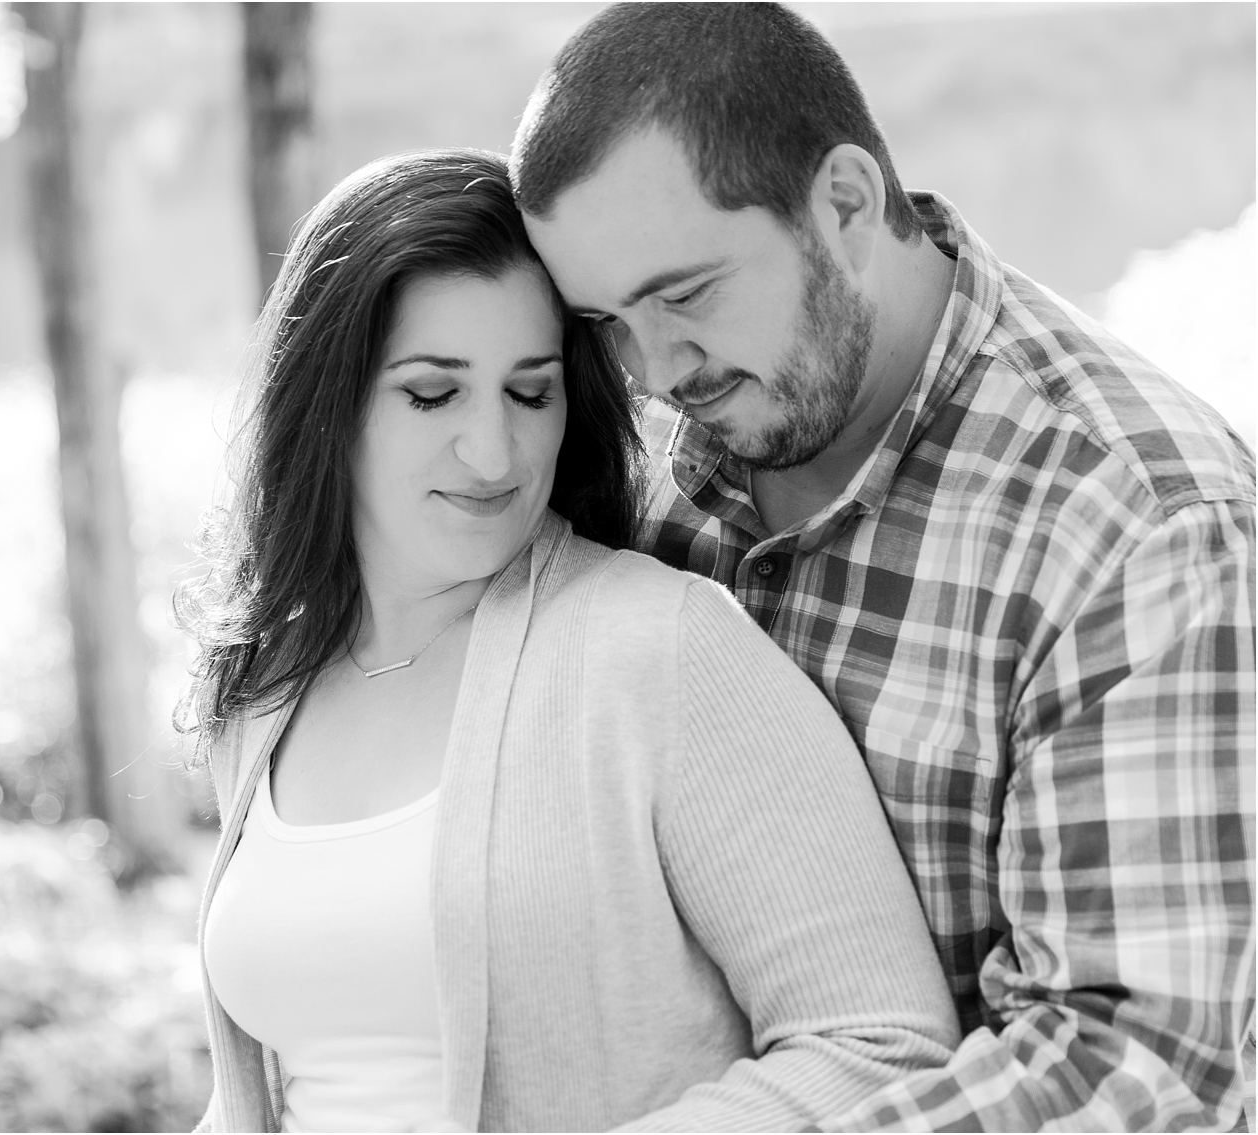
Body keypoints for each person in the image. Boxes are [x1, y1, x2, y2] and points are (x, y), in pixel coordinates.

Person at [510, 4, 1256, 1130]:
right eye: (605, 319)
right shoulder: (640, 459)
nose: (653, 368)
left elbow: (1132, 1066)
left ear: (847, 204)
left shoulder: (1138, 525)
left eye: (684, 293)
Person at [179, 149, 959, 1133]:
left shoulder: (656, 650)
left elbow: (878, 1042)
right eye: (431, 394)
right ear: (323, 405)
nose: (493, 453)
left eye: (529, 391)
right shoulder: (268, 686)